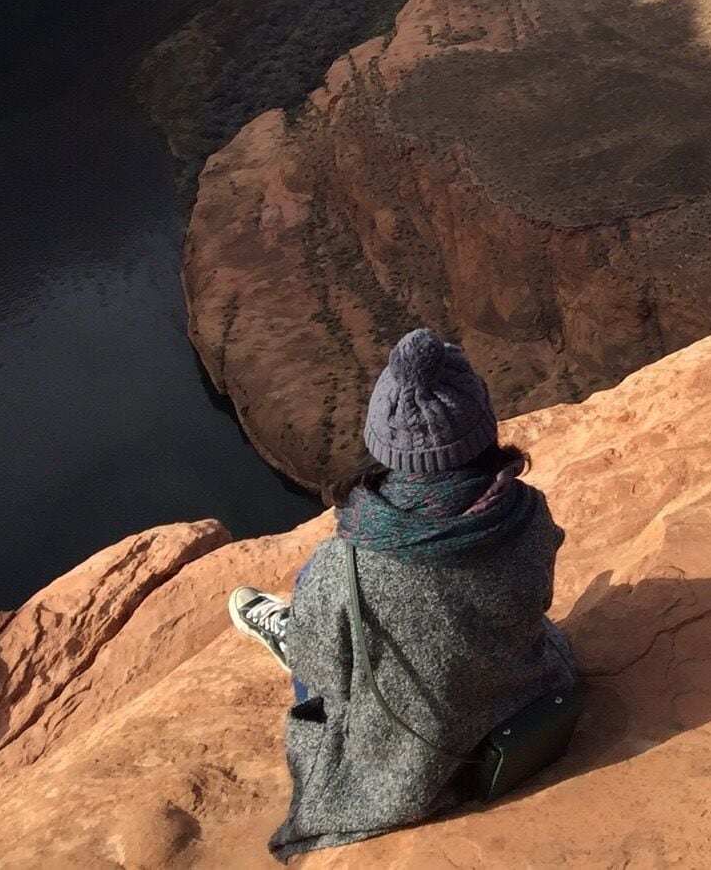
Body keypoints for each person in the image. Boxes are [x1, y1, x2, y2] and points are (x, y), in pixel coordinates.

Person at [225, 328, 577, 860]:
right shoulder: (526, 511)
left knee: (312, 606)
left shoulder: (346, 563)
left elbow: (323, 671)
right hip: (517, 690)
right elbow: (537, 597)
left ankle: (287, 628)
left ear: (385, 446)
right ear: (482, 430)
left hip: (416, 754)